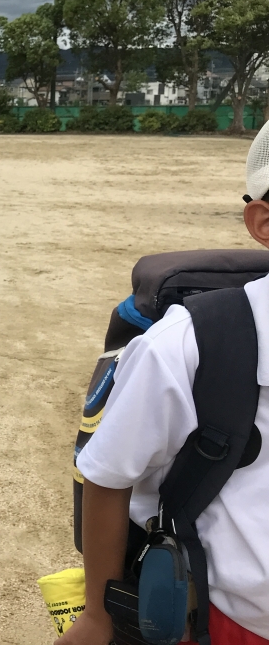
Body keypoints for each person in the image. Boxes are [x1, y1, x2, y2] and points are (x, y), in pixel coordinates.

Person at [61, 125, 269, 645]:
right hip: (232, 620)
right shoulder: (189, 344)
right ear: (263, 223)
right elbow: (108, 475)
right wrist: (98, 614)